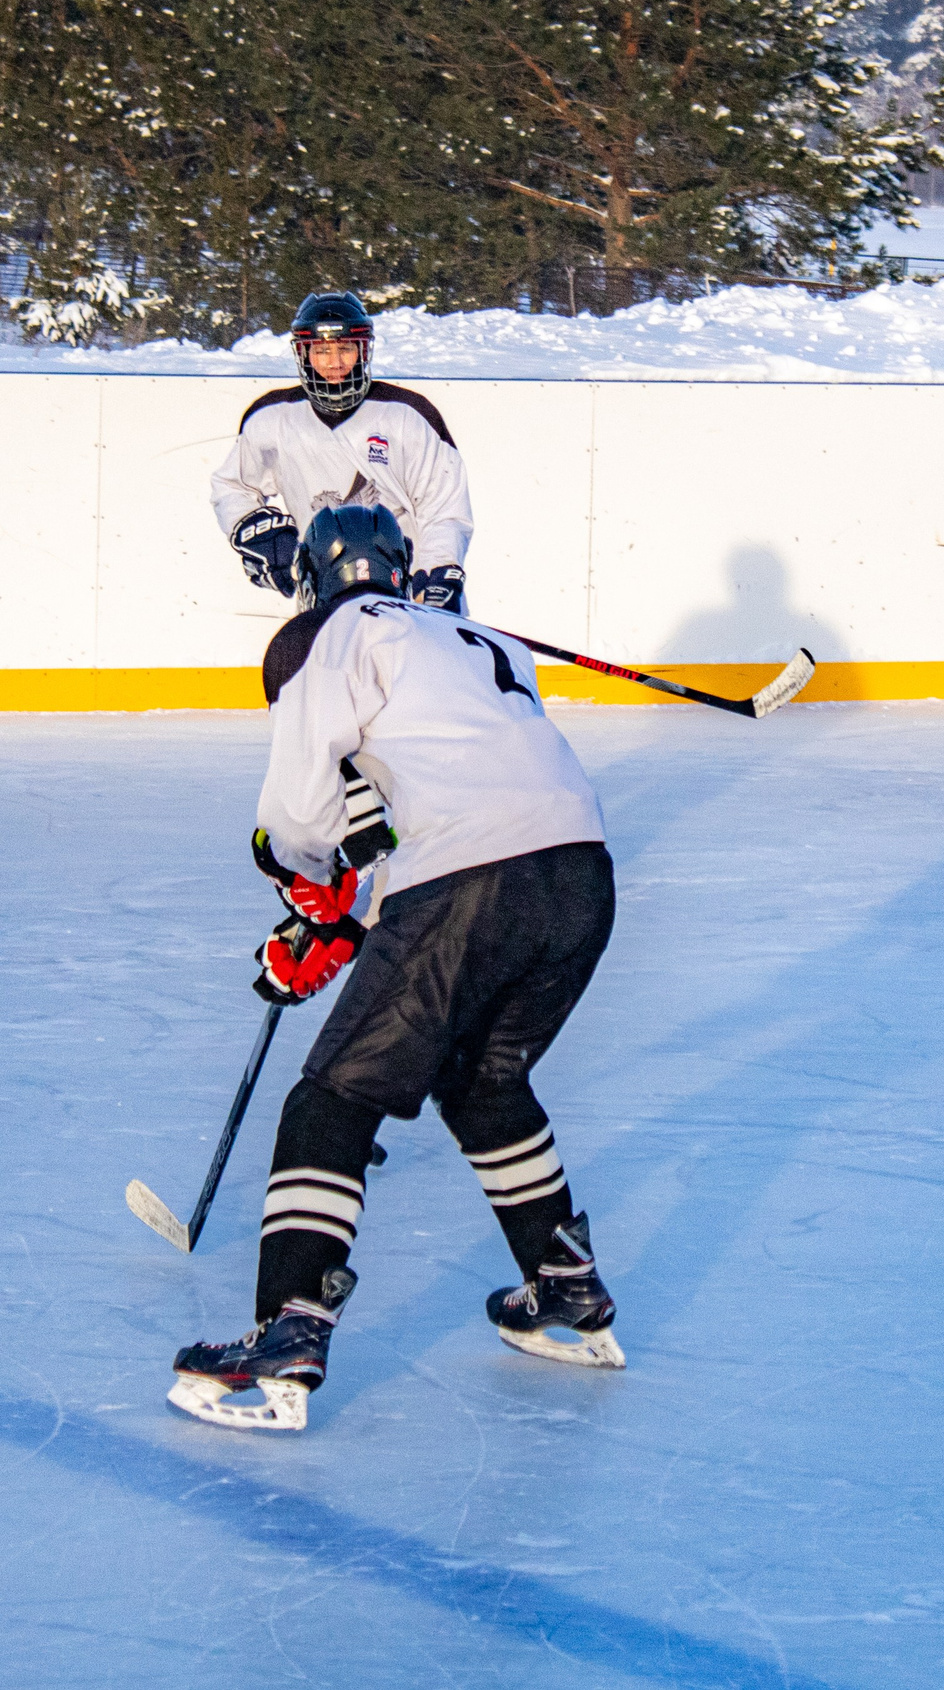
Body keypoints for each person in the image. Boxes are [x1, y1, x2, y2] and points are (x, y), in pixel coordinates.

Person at [167, 505, 623, 1433]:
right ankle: (564, 1281)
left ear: (313, 584)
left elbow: (300, 816)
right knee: (485, 1082)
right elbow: (448, 798)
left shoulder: (335, 636)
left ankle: (288, 1329)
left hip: (472, 878)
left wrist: (309, 886)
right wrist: (360, 912)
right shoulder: (481, 638)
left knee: (330, 1100)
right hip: (581, 872)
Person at [211, 291, 475, 616]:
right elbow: (232, 487)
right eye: (322, 351)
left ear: (363, 350)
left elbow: (445, 511)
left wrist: (436, 574)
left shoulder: (408, 416)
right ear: (304, 354)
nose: (335, 363)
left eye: (346, 348)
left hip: (409, 594)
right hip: (324, 599)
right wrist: (258, 531)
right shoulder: (272, 418)